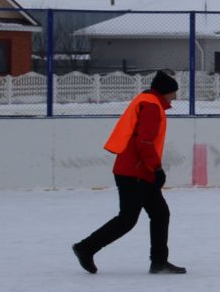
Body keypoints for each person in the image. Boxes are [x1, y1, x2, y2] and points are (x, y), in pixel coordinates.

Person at [74, 71, 186, 274]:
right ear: (165, 91)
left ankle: (159, 261)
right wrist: (157, 168)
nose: (175, 97)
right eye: (173, 92)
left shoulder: (146, 101)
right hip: (135, 172)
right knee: (127, 219)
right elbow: (144, 142)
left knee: (160, 214)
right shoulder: (151, 106)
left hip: (137, 171)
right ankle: (86, 248)